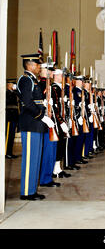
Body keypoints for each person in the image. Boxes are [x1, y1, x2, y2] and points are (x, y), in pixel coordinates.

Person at [17, 53, 55, 200]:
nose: (39, 67)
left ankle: (31, 189)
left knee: (36, 158)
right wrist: (42, 116)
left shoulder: (33, 80)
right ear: (30, 65)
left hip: (36, 124)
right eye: (38, 65)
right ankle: (26, 191)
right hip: (31, 122)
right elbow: (27, 102)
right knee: (30, 159)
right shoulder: (26, 80)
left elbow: (36, 100)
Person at [5, 78, 19, 159]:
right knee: (8, 136)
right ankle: (6, 152)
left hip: (14, 117)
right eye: (12, 84)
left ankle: (9, 152)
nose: (13, 85)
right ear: (8, 85)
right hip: (9, 117)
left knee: (12, 136)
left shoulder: (14, 93)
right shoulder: (7, 93)